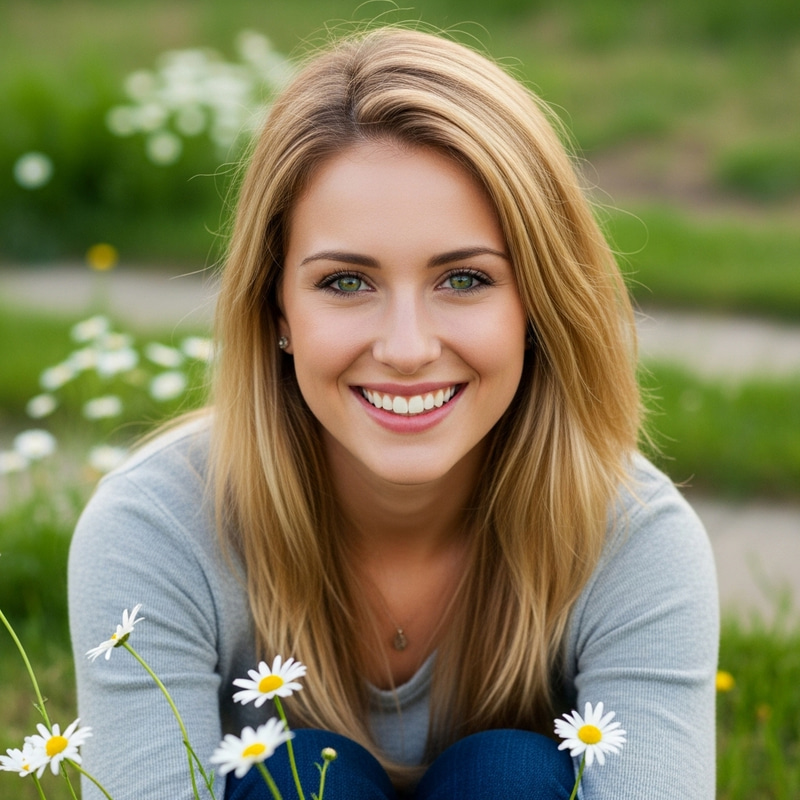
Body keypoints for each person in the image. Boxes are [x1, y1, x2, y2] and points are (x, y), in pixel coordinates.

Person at [68, 26, 719, 800]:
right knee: (302, 778)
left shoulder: (634, 539)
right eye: (346, 282)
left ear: (537, 304)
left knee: (508, 777)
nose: (407, 349)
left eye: (464, 279)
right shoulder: (156, 529)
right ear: (276, 309)